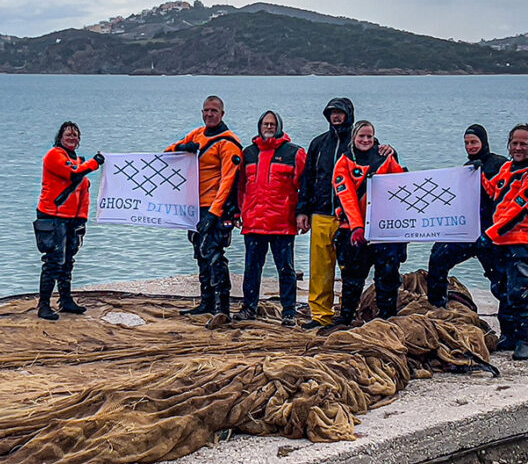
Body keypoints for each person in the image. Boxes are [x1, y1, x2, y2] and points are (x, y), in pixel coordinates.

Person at [296, 98, 395, 329]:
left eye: (340, 113)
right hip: (321, 212)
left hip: (352, 219)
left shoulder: (365, 143)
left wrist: (393, 152)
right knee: (320, 268)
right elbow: (307, 178)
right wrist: (302, 210)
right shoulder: (319, 144)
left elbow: (387, 172)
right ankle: (321, 315)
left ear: (349, 114)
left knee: (350, 269)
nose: (336, 117)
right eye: (332, 113)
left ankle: (346, 311)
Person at [166, 96, 243, 321]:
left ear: (222, 114)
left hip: (215, 208)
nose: (210, 114)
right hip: (195, 206)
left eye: (214, 111)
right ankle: (206, 301)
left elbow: (228, 180)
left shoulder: (228, 143)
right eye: (207, 110)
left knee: (214, 254)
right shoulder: (197, 135)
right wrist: (181, 147)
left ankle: (223, 307)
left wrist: (215, 212)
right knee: (200, 253)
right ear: (202, 112)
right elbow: (167, 154)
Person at [234, 110, 306, 326]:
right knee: (251, 269)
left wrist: (302, 212)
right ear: (259, 126)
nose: (269, 127)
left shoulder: (295, 153)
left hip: (282, 223)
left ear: (279, 126)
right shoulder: (248, 153)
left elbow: (305, 186)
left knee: (286, 269)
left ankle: (289, 312)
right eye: (265, 123)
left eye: (272, 124)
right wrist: (238, 212)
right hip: (254, 222)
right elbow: (239, 187)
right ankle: (249, 307)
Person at [332, 120, 407, 325]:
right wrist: (357, 226)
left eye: (369, 136)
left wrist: (395, 155)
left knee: (387, 277)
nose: (365, 140)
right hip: (353, 230)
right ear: (354, 138)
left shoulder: (385, 158)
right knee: (352, 279)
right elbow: (345, 196)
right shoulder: (344, 161)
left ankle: (387, 318)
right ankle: (347, 316)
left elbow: (401, 184)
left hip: (383, 230)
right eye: (361, 136)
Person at [427, 124, 508, 308]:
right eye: (466, 143)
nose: (470, 146)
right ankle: (437, 307)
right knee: (437, 259)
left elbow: (501, 197)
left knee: (500, 282)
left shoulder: (500, 164)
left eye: (474, 142)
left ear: (484, 142)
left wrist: (482, 176)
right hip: (467, 230)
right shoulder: (466, 168)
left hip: (490, 234)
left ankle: (513, 324)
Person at [33, 121, 104, 320]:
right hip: (52, 215)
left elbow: (83, 192)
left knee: (68, 261)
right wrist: (94, 163)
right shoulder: (54, 155)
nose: (72, 138)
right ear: (60, 138)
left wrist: (82, 219)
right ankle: (44, 305)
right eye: (68, 135)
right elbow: (73, 175)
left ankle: (65, 300)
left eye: (75, 135)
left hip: (72, 218)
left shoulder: (78, 160)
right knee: (54, 261)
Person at [481, 123, 528, 359]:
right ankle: (509, 334)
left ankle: (525, 339)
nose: (518, 148)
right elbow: (494, 192)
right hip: (500, 241)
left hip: (520, 240)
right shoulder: (508, 168)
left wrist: (489, 234)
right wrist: (477, 173)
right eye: (515, 143)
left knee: (520, 291)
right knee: (502, 290)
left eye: (523, 144)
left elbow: (517, 211)